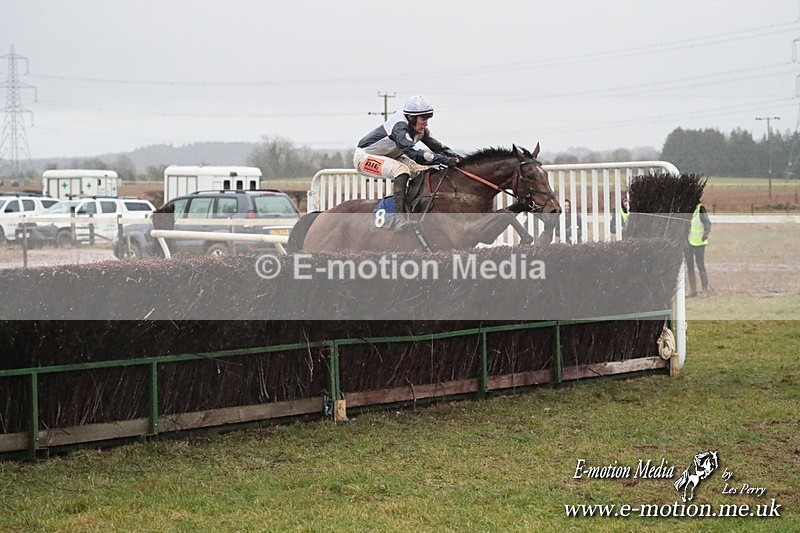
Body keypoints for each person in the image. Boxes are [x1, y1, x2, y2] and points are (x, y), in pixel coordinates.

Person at [353, 95, 461, 226]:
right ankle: (400, 218)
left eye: (427, 118)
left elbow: (438, 148)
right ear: (411, 117)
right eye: (423, 118)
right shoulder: (399, 127)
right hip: (364, 157)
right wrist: (444, 160)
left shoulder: (419, 128)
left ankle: (414, 207)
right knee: (401, 170)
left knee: (424, 171)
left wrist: (459, 159)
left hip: (391, 155)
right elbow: (414, 154)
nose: (426, 123)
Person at [685, 200, 711, 297]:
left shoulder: (700, 209)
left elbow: (707, 223)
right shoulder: (686, 210)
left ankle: (705, 290)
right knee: (689, 266)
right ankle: (693, 290)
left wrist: (706, 233)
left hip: (699, 242)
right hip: (688, 242)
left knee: (700, 265)